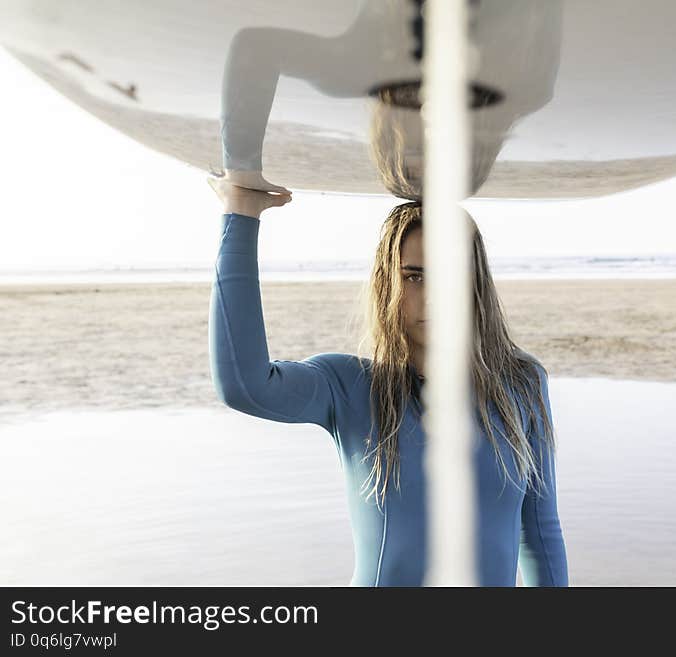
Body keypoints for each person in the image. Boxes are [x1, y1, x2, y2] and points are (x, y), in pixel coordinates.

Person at [206, 175, 568, 586]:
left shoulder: (521, 383)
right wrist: (241, 213)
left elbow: (539, 532)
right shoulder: (350, 386)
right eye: (414, 276)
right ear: (387, 284)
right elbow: (244, 385)